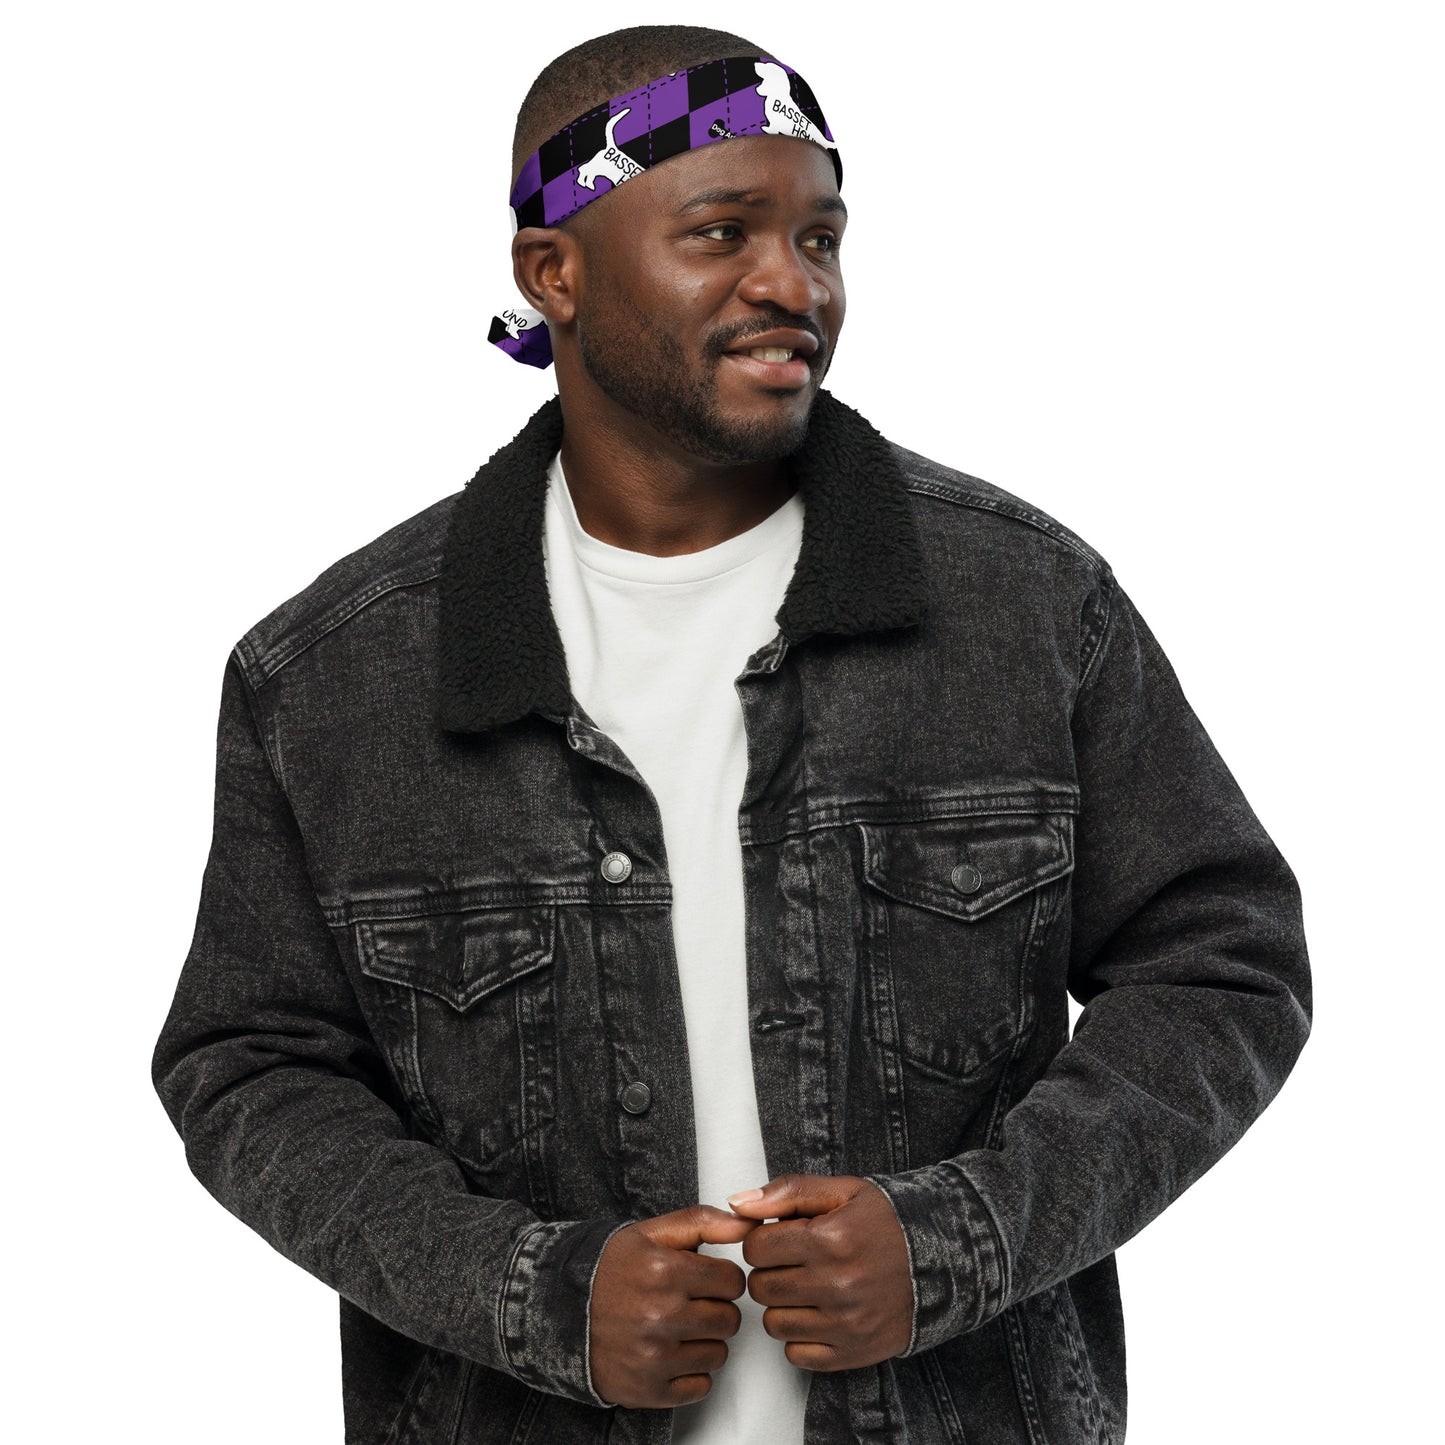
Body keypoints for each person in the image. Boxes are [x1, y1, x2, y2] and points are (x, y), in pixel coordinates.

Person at [151, 23, 1313, 1445]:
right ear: (554, 272)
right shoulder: (338, 676)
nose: (793, 284)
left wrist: (963, 1236)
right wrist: (529, 1294)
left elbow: (1222, 963)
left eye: (820, 237)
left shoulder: (1025, 605)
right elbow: (250, 1067)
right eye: (721, 233)